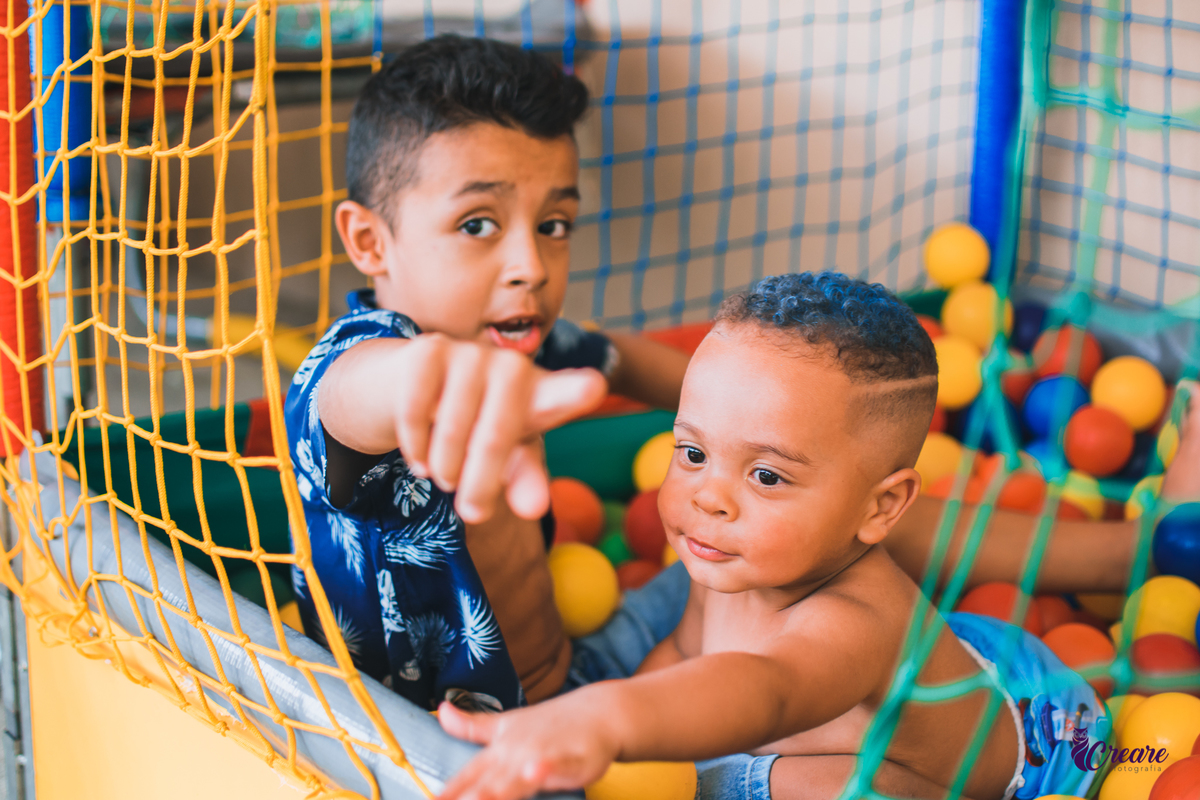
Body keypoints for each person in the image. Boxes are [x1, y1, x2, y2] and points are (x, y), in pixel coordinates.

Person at [435, 273, 1112, 800]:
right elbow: (682, 651)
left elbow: (769, 689)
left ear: (881, 507)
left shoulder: (856, 621)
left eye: (765, 475)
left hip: (1024, 746)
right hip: (915, 680)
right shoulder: (725, 555)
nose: (708, 497)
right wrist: (622, 750)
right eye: (692, 453)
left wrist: (609, 720)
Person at [284, 34, 688, 711]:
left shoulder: (525, 344)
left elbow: (618, 358)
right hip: (455, 748)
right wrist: (435, 376)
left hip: (577, 674)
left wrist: (746, 412)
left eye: (555, 224)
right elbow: (362, 392)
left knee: (787, 568)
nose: (530, 264)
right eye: (477, 224)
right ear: (369, 242)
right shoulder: (357, 369)